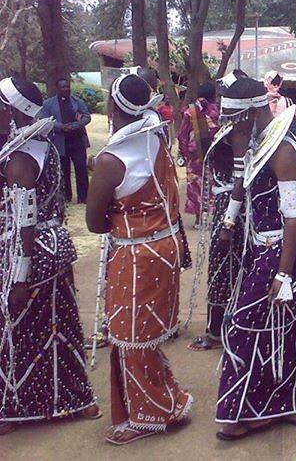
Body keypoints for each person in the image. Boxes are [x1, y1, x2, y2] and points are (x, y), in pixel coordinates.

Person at [86, 74, 193, 445]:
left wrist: (120, 217)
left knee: (130, 335)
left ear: (113, 108)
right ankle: (166, 400)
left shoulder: (112, 159)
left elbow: (93, 222)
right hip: (164, 248)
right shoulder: (157, 139)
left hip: (136, 255)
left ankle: (152, 413)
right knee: (142, 335)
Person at [214, 75, 296, 440]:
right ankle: (290, 405)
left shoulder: (283, 149)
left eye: (231, 119)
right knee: (278, 329)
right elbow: (243, 180)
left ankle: (250, 410)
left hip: (280, 252)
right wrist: (229, 220)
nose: (227, 126)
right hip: (262, 246)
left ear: (248, 113)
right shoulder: (256, 141)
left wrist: (284, 274)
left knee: (245, 326)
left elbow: (294, 216)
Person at [0, 76, 100, 436]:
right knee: (57, 327)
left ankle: (16, 407)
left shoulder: (21, 159)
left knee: (19, 329)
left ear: (12, 111)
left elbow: (25, 221)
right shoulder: (40, 145)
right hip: (52, 249)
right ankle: (74, 399)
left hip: (30, 255)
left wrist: (19, 276)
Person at [186, 115, 243, 352]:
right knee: (229, 267)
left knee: (222, 268)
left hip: (230, 206)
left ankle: (218, 331)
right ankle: (228, 326)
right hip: (228, 203)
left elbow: (240, 176)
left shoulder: (239, 134)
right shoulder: (233, 129)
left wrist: (228, 222)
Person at [39, 78, 91, 204]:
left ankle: (84, 198)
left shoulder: (77, 102)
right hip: (60, 142)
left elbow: (87, 117)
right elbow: (44, 119)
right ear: (58, 88)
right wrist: (60, 127)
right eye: (63, 87)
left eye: (67, 87)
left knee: (81, 170)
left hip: (77, 141)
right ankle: (66, 197)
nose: (66, 89)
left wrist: (75, 125)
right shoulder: (48, 104)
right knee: (63, 171)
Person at [178, 82, 220, 228]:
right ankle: (213, 219)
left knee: (195, 187)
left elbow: (182, 135)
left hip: (194, 156)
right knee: (212, 184)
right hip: (213, 154)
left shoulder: (190, 111)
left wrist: (185, 154)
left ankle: (198, 220)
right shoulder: (217, 110)